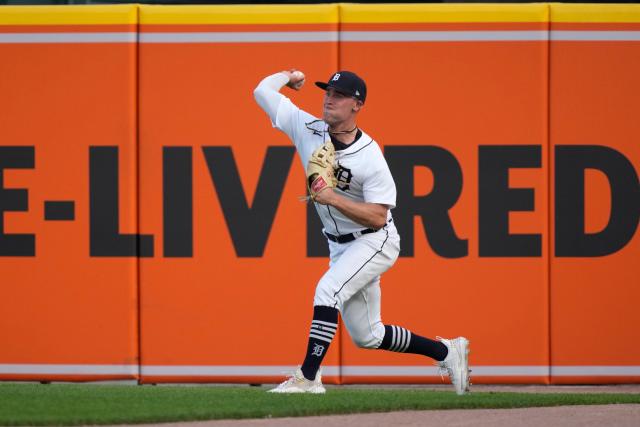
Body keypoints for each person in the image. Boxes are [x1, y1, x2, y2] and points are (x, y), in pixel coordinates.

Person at [253, 69, 470, 395]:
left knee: (327, 290)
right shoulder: (308, 128)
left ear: (357, 105)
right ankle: (447, 352)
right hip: (340, 246)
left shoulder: (369, 155)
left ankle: (308, 378)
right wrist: (289, 75)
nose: (329, 99)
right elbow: (261, 92)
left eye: (338, 95)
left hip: (375, 241)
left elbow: (379, 217)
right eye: (327, 92)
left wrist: (330, 197)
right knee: (368, 335)